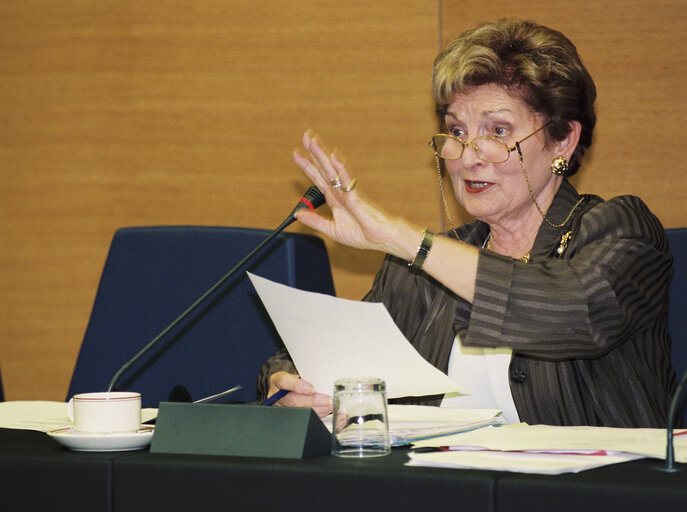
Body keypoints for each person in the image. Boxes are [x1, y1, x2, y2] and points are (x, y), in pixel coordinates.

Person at [256, 18, 677, 427]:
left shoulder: (621, 230)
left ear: (562, 139)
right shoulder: (421, 269)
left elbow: (571, 313)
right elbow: (318, 357)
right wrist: (287, 387)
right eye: (456, 131)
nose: (468, 155)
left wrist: (404, 239)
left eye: (497, 130)